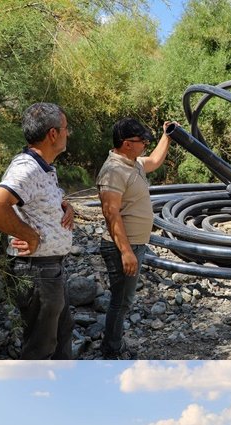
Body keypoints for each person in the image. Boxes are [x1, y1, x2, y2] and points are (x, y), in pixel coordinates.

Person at [0, 102, 75, 359]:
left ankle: (64, 390)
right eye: (66, 129)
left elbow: (36, 200)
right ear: (53, 134)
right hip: (37, 270)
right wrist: (29, 235)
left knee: (62, 332)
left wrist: (65, 206)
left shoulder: (42, 166)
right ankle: (37, 395)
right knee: (41, 345)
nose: (68, 133)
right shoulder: (28, 167)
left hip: (49, 267)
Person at [96, 117, 178, 359]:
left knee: (124, 300)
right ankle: (112, 349)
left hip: (134, 245)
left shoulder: (133, 164)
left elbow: (153, 160)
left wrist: (167, 136)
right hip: (122, 247)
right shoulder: (113, 171)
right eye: (140, 140)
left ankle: (113, 343)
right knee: (121, 302)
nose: (144, 143)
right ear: (125, 143)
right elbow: (111, 214)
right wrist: (126, 252)